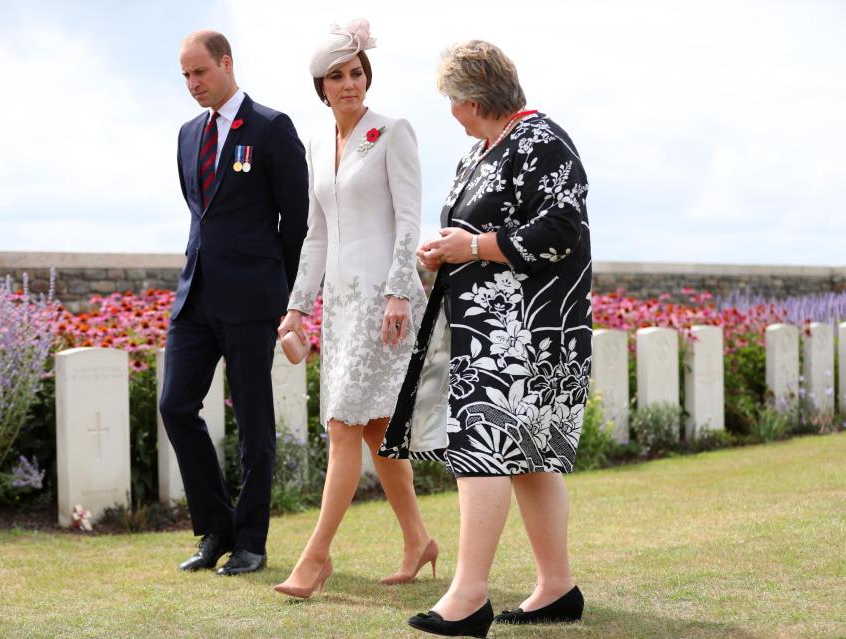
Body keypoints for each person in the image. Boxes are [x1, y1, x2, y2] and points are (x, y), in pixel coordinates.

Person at [378, 40, 592, 637]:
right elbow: (478, 231)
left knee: (487, 455)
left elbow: (561, 230)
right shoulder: (480, 153)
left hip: (527, 334)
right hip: (486, 332)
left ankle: (469, 596)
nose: (451, 112)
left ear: (474, 99)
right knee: (529, 463)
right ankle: (557, 588)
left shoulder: (542, 141)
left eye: (453, 100)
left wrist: (468, 247)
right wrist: (444, 249)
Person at [273, 19, 436, 599]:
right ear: (321, 85)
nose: (350, 83)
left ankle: (315, 558)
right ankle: (419, 540)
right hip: (341, 308)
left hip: (385, 300)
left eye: (357, 72)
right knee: (373, 428)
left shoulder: (394, 132)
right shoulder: (317, 143)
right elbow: (314, 235)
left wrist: (399, 289)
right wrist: (297, 308)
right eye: (337, 75)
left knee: (343, 425)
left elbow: (410, 219)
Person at [159, 29, 308, 577]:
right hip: (195, 298)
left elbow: (296, 223)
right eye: (185, 76)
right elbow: (200, 215)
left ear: (226, 63)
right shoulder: (186, 134)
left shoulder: (272, 128)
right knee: (176, 406)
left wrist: (294, 300)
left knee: (253, 423)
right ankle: (216, 527)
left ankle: (251, 541)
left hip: (252, 301)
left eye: (200, 72)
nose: (193, 84)